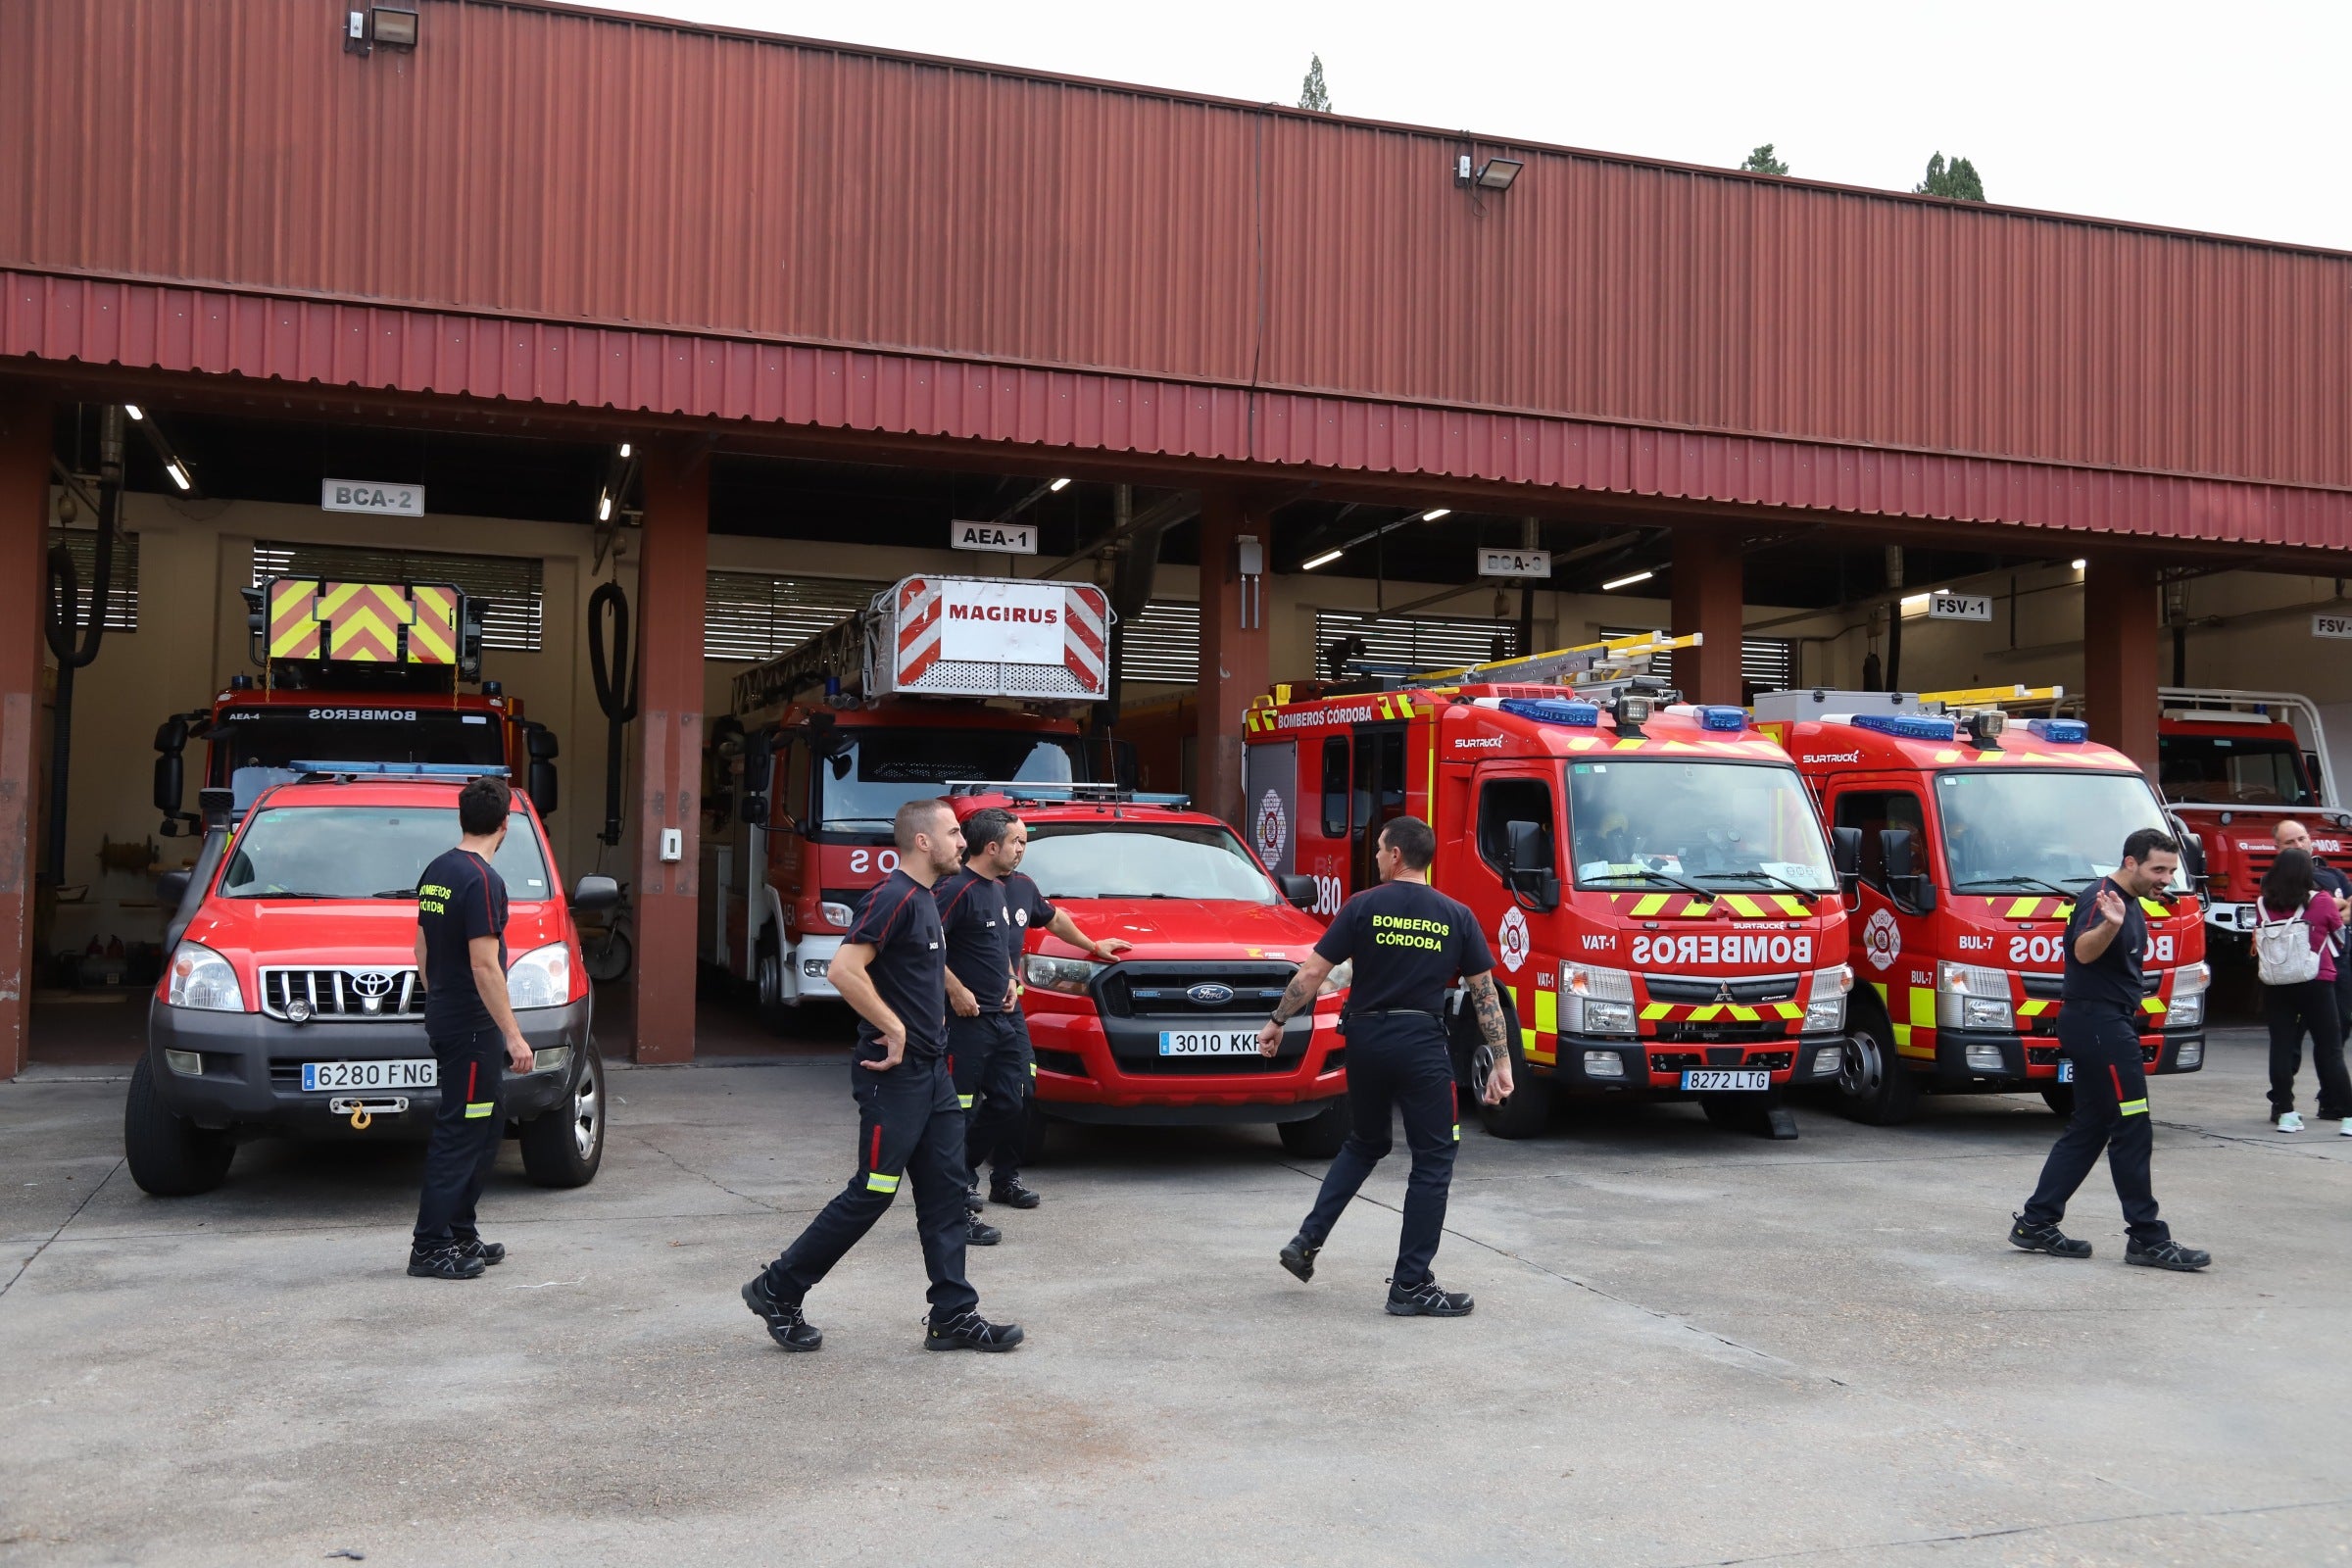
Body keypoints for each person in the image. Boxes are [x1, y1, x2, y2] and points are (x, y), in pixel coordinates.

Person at [742, 799, 1022, 1353]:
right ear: (923, 842)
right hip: (890, 1076)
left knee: (945, 1193)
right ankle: (778, 1287)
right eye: (951, 833)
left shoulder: (927, 902)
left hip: (933, 1074)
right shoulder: (892, 896)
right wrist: (892, 1027)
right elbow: (845, 970)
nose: (961, 842)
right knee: (872, 1191)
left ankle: (953, 1315)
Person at [1260, 815, 1516, 1315]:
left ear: (1396, 854)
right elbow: (1484, 993)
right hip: (1419, 1043)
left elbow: (1313, 972)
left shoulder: (1362, 907)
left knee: (1367, 1141)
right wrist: (1501, 1061)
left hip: (1367, 1041)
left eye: (1379, 849)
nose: (1376, 856)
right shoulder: (1456, 915)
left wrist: (1276, 1021)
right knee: (1434, 1159)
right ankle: (1411, 1285)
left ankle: (1307, 1241)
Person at [2011, 828, 2210, 1271]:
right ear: (2131, 862)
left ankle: (2036, 1222)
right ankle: (2146, 1237)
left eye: (2172, 871)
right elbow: (2082, 952)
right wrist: (2110, 925)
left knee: (2091, 1127)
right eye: (2159, 869)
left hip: (2103, 1022)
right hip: (2100, 1025)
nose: (2166, 879)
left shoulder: (2132, 900)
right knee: (2133, 1125)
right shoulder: (2102, 899)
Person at [408, 774, 533, 1281]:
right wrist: (513, 1035)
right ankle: (429, 1247)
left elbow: (422, 947)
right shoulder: (483, 881)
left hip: (450, 1015)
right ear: (506, 823)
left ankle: (460, 1231)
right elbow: (486, 966)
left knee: (486, 1124)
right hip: (474, 1029)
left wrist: (438, 992)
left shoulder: (438, 870)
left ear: (463, 818)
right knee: (462, 1130)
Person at [973, 810, 1128, 1210]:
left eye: (1026, 842)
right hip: (969, 1014)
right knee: (970, 1103)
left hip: (1009, 1011)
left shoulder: (1022, 886)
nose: (1023, 849)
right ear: (993, 846)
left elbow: (1053, 918)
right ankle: (960, 1179)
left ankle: (1005, 1178)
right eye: (1017, 841)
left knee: (1022, 1093)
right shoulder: (959, 888)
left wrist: (1093, 946)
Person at [2253, 846, 2350, 1135]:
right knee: (2330, 1048)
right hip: (2317, 981)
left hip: (2276, 982)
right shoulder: (2321, 901)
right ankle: (2348, 1116)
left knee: (2282, 1046)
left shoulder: (2262, 904)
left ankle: (2286, 1113)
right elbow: (2339, 936)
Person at [2274, 818, 2352, 1051]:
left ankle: (2329, 1087)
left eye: (2302, 838)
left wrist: (2329, 912)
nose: (2298, 845)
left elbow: (2331, 909)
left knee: (2341, 1026)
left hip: (2340, 962)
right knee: (2292, 1037)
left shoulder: (2333, 874)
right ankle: (2282, 1087)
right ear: (2278, 848)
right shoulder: (2277, 881)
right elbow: (2315, 914)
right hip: (2299, 967)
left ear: (2310, 840)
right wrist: (2333, 907)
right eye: (2290, 842)